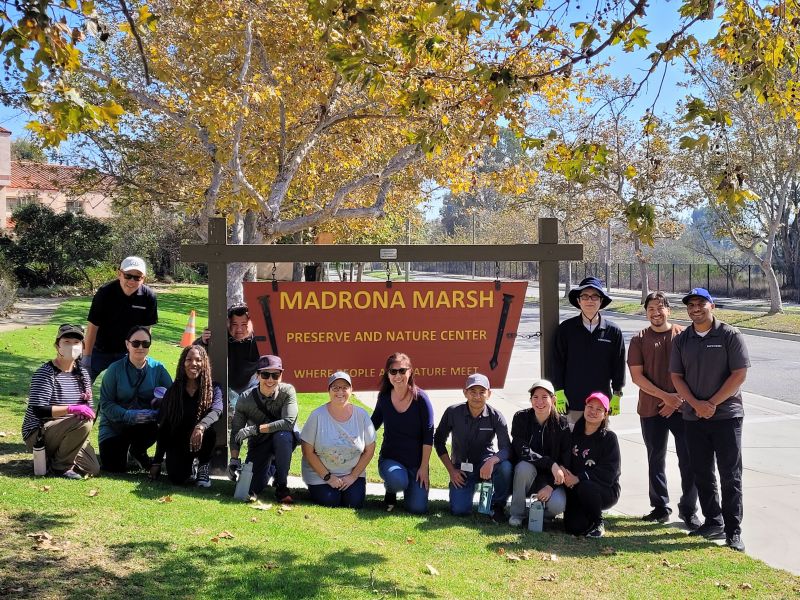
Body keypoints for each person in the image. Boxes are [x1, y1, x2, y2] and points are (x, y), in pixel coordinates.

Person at [670, 288, 750, 552]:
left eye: (700, 303)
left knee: (730, 474)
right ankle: (712, 520)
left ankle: (733, 529)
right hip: (693, 418)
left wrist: (712, 403)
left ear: (712, 306)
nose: (695, 308)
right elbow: (676, 377)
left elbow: (739, 374)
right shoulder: (682, 340)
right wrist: (696, 405)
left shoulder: (729, 335)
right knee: (702, 472)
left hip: (726, 417)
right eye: (691, 305)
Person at [628, 291, 700, 530]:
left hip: (684, 409)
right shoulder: (639, 339)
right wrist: (666, 398)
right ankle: (660, 507)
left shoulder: (683, 335)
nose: (655, 313)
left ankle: (689, 510)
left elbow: (694, 370)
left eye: (660, 308)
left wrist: (677, 400)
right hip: (651, 409)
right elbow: (637, 377)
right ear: (645, 312)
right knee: (655, 458)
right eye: (650, 309)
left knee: (689, 460)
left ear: (668, 310)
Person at [21, 324, 100, 479]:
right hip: (40, 431)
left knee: (93, 468)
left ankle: (53, 459)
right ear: (57, 345)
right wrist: (71, 409)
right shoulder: (45, 373)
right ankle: (60, 467)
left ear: (83, 346)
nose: (72, 346)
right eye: (67, 342)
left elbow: (88, 409)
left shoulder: (83, 373)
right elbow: (39, 410)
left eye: (76, 343)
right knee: (83, 422)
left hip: (71, 429)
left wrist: (87, 409)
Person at [433, 373, 513, 521]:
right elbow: (438, 441)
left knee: (505, 467)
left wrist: (491, 461)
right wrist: (452, 471)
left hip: (485, 466)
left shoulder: (497, 416)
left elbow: (506, 448)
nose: (477, 396)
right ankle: (470, 489)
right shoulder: (452, 412)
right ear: (465, 392)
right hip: (461, 469)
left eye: (482, 392)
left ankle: (497, 505)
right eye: (472, 392)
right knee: (459, 510)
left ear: (489, 394)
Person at [551, 276, 626, 426]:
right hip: (572, 400)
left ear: (601, 301)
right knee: (572, 444)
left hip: (601, 402)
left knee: (599, 444)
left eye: (594, 296)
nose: (589, 300)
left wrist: (617, 393)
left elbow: (618, 365)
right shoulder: (566, 329)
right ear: (578, 301)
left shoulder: (613, 331)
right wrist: (558, 391)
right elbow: (557, 362)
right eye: (584, 296)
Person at [98, 326, 173, 472]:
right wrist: (127, 415)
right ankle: (124, 453)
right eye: (135, 343)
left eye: (145, 344)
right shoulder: (114, 369)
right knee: (114, 467)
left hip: (144, 425)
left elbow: (172, 398)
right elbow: (106, 404)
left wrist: (158, 408)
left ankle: (138, 451)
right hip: (114, 425)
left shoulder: (158, 369)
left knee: (163, 423)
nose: (140, 347)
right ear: (127, 344)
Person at [149, 345, 222, 487]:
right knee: (177, 479)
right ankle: (188, 467)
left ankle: (203, 466)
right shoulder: (173, 391)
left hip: (202, 438)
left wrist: (201, 426)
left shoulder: (214, 388)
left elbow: (217, 411)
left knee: (209, 432)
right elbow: (164, 427)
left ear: (204, 363)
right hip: (178, 441)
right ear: (183, 363)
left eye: (198, 360)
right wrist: (157, 461)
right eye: (189, 359)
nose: (193, 363)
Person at [371, 352, 435, 514]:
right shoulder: (384, 397)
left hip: (416, 464)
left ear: (410, 372)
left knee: (417, 509)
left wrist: (423, 467)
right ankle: (391, 490)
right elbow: (372, 425)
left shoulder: (421, 399)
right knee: (398, 480)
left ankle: (409, 486)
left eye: (402, 371)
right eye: (393, 371)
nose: (397, 375)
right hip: (391, 459)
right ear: (387, 374)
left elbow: (428, 435)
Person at [229, 355, 298, 503]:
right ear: (257, 375)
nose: (270, 379)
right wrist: (234, 459)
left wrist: (255, 429)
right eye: (265, 374)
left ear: (281, 375)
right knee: (252, 488)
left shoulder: (288, 392)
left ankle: (282, 486)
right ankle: (272, 467)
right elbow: (236, 430)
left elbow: (288, 422)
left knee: (283, 436)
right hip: (259, 443)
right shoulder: (245, 398)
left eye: (275, 375)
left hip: (282, 440)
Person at [301, 372, 376, 508]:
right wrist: (328, 477)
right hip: (320, 475)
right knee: (331, 501)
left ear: (351, 390)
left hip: (351, 473)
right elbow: (307, 452)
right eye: (335, 388)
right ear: (329, 391)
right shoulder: (317, 415)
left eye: (345, 387)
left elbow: (370, 450)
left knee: (353, 502)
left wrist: (353, 476)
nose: (340, 392)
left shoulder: (362, 415)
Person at [83, 256, 158, 382]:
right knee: (81, 385)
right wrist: (86, 357)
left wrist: (141, 355)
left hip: (128, 352)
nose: (132, 281)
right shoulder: (104, 293)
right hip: (100, 349)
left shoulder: (148, 297)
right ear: (119, 274)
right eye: (128, 276)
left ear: (143, 279)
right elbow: (92, 327)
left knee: (129, 390)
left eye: (137, 277)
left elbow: (146, 330)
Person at [508, 379, 571, 527]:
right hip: (525, 477)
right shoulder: (521, 418)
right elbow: (523, 450)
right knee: (523, 467)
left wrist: (551, 486)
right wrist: (551, 463)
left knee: (558, 505)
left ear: (553, 399)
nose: (539, 402)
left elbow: (564, 461)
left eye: (545, 397)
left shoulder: (562, 424)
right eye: (535, 397)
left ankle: (537, 514)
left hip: (550, 479)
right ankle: (517, 514)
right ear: (530, 400)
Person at [563, 392, 621, 538]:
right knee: (573, 527)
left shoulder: (609, 438)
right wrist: (566, 475)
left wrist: (579, 478)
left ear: (605, 414)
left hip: (604, 490)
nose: (593, 411)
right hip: (575, 487)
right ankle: (587, 514)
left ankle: (598, 521)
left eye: (599, 409)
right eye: (590, 406)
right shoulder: (574, 433)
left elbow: (610, 472)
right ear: (585, 408)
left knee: (586, 486)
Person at [195, 302, 261, 410]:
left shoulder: (260, 340)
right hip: (225, 389)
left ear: (251, 323)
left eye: (244, 324)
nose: (239, 329)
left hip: (252, 387)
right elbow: (193, 352)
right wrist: (203, 341)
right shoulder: (220, 336)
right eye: (234, 324)